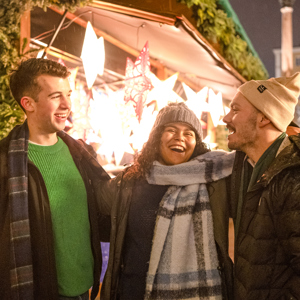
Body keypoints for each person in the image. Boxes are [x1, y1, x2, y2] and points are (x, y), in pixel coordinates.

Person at [97, 102, 235, 300]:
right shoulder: (130, 181)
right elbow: (93, 202)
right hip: (130, 290)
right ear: (156, 137)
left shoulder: (215, 181)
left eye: (189, 133)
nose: (180, 137)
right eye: (171, 130)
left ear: (197, 143)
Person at [0, 58, 110, 300]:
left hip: (86, 286)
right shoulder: (6, 163)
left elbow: (105, 203)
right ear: (28, 103)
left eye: (68, 94)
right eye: (55, 96)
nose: (67, 104)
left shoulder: (80, 153)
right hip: (38, 290)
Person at [223, 72, 300, 300]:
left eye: (235, 110)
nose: (226, 118)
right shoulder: (245, 167)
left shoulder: (292, 177)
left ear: (263, 118)